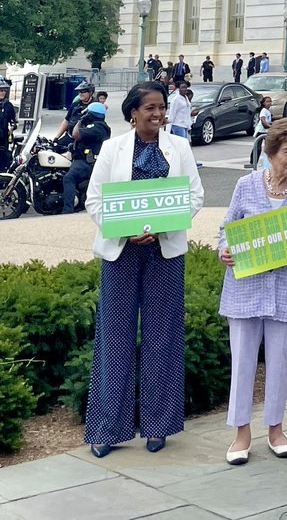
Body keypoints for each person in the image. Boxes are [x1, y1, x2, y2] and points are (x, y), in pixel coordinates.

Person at [83, 81, 205, 457]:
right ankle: (107, 428)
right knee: (114, 339)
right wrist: (125, 228)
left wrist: (165, 224)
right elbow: (94, 199)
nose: (157, 114)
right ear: (133, 112)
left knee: (162, 338)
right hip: (122, 253)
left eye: (161, 107)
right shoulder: (111, 149)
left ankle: (159, 425)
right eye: (149, 108)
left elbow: (195, 195)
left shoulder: (179, 147)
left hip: (165, 252)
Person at [218, 118, 287, 463]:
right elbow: (227, 228)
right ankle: (241, 433)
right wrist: (225, 249)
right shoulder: (246, 185)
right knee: (243, 361)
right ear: (271, 153)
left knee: (280, 361)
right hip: (245, 287)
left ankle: (276, 429)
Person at [60, 100, 110, 214]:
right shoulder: (94, 125)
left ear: (91, 114)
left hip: (87, 162)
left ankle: (67, 210)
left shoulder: (98, 127)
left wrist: (81, 119)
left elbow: (75, 134)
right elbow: (71, 131)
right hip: (81, 158)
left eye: (87, 113)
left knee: (69, 178)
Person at [0, 80, 17, 171]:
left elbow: (13, 122)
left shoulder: (8, 105)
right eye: (0, 90)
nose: (2, 92)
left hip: (3, 140)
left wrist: (12, 127)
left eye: (4, 90)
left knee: (3, 162)